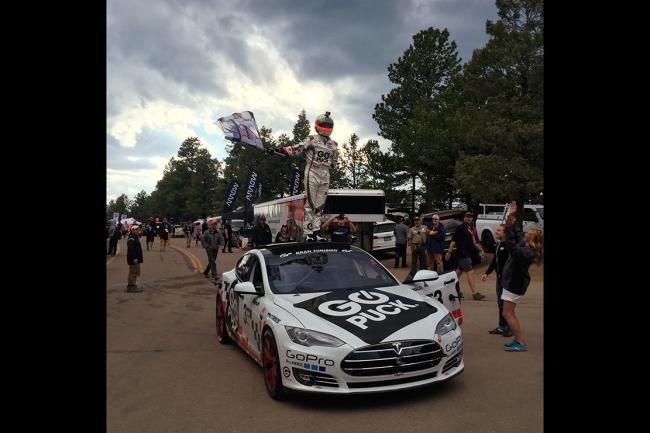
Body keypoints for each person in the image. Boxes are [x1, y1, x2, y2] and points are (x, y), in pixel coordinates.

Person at [276, 111, 339, 242]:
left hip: (325, 175)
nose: (325, 128)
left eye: (327, 126)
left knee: (319, 205)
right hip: (312, 173)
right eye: (323, 126)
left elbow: (334, 163)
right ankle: (308, 233)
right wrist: (282, 149)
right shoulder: (312, 139)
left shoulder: (333, 145)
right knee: (310, 204)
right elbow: (297, 148)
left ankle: (316, 232)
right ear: (317, 126)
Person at [501, 203, 544, 352]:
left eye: (528, 234)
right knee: (509, 312)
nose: (525, 234)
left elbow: (511, 245)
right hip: (515, 283)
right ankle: (518, 340)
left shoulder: (528, 253)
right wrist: (512, 216)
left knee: (507, 313)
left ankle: (520, 342)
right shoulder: (525, 245)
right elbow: (518, 233)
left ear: (532, 239)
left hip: (515, 284)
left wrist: (507, 227)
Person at [445, 211, 486, 300]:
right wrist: (449, 252)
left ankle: (448, 288)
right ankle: (475, 294)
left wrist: (481, 250)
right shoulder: (460, 228)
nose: (469, 218)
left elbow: (474, 242)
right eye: (467, 216)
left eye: (471, 216)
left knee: (458, 273)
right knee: (470, 272)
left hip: (469, 254)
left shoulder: (471, 228)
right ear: (464, 218)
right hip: (462, 254)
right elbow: (453, 240)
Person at [481, 224, 513, 337]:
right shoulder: (498, 245)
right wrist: (486, 273)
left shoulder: (509, 246)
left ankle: (510, 328)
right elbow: (495, 262)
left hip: (507, 281)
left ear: (505, 233)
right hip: (499, 280)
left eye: (499, 230)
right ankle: (501, 327)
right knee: (500, 303)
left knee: (507, 305)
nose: (496, 232)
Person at [126, 225, 144, 292]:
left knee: (133, 272)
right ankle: (132, 287)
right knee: (133, 273)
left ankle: (131, 286)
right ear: (132, 230)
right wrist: (135, 258)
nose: (137, 231)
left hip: (134, 258)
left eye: (138, 229)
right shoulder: (132, 238)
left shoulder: (134, 237)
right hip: (134, 258)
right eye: (136, 229)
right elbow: (131, 249)